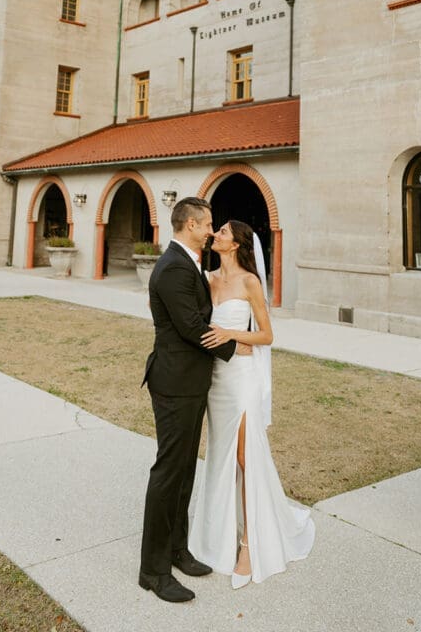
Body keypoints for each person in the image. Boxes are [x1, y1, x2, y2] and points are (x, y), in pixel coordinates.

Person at [189, 219, 315, 587]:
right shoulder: (207, 278)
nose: (216, 234)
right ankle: (217, 534)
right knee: (220, 455)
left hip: (241, 379)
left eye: (223, 232)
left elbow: (267, 334)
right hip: (214, 380)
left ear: (237, 244)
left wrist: (231, 334)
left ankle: (248, 545)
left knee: (245, 457)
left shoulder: (249, 282)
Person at [139, 197, 246, 604]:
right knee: (169, 471)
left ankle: (178, 550)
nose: (211, 231)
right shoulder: (171, 268)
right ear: (190, 225)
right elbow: (190, 326)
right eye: (208, 224)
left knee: (184, 470)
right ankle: (152, 571)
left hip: (192, 381)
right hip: (174, 382)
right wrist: (239, 351)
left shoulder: (188, 262)